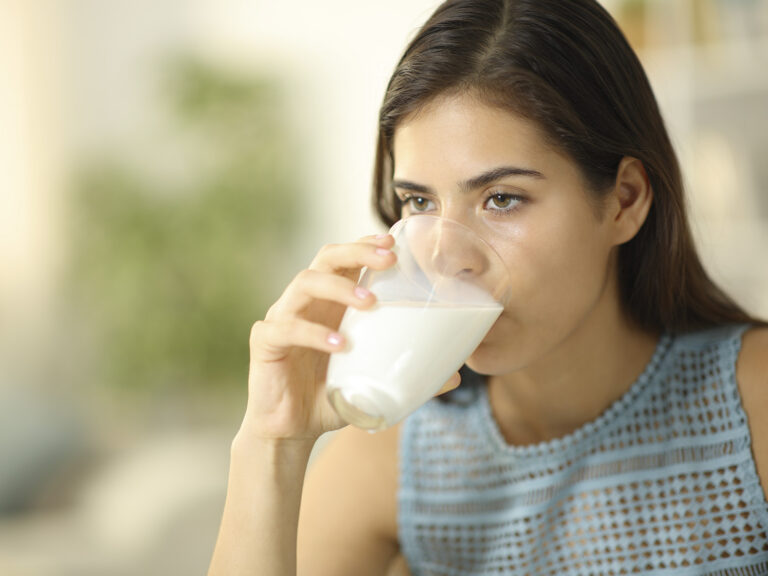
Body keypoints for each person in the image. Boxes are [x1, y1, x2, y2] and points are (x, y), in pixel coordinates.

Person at [207, 0, 768, 574]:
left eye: (502, 199)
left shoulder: (752, 404)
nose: (446, 257)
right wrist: (270, 443)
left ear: (624, 200)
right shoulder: (400, 454)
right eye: (419, 202)